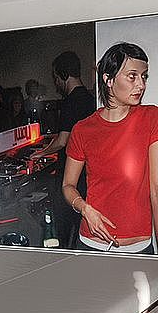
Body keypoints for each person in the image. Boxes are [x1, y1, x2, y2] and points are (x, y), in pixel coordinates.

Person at [62, 42, 158, 255]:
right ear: (108, 79)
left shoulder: (152, 118)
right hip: (91, 247)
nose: (141, 84)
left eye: (144, 76)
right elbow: (67, 185)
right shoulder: (83, 129)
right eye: (132, 76)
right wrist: (84, 209)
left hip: (138, 249)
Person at [33, 50, 95, 246]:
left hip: (70, 174)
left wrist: (40, 153)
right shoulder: (90, 98)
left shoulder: (70, 101)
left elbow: (63, 141)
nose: (55, 83)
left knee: (63, 225)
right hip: (87, 173)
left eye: (55, 77)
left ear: (63, 75)